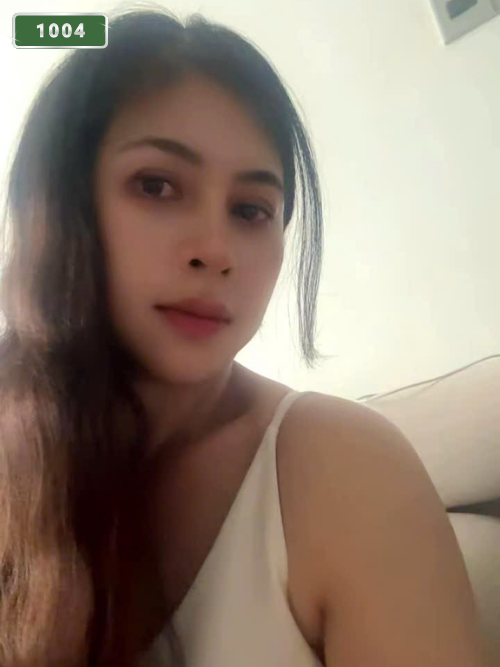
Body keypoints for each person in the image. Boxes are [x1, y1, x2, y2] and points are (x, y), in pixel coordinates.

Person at [0, 5, 487, 667]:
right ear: (60, 206)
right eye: (157, 185)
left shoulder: (340, 468)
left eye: (251, 209)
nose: (217, 250)